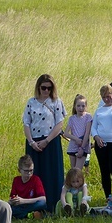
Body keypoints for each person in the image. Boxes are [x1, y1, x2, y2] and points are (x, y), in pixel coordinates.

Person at [22, 74, 66, 213]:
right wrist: (31, 142)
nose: (46, 91)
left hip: (50, 141)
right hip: (34, 141)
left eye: (49, 88)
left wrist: (47, 141)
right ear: (38, 87)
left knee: (52, 173)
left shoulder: (56, 102)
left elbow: (59, 123)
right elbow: (26, 122)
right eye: (43, 88)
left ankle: (54, 205)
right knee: (34, 173)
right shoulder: (31, 102)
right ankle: (35, 207)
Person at [8, 155, 47, 220]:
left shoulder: (36, 179)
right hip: (20, 205)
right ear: (19, 170)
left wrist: (23, 201)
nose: (29, 173)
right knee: (8, 208)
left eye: (31, 170)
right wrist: (13, 201)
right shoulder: (16, 180)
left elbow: (43, 199)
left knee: (42, 204)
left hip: (31, 204)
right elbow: (12, 196)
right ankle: (29, 215)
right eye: (26, 171)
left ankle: (22, 215)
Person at [63, 95, 92, 170]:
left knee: (77, 170)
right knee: (73, 171)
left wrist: (82, 147)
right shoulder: (72, 118)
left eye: (83, 106)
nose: (81, 108)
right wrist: (76, 139)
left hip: (83, 146)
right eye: (78, 106)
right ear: (75, 106)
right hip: (73, 146)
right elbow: (66, 133)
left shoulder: (88, 117)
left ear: (86, 106)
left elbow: (87, 133)